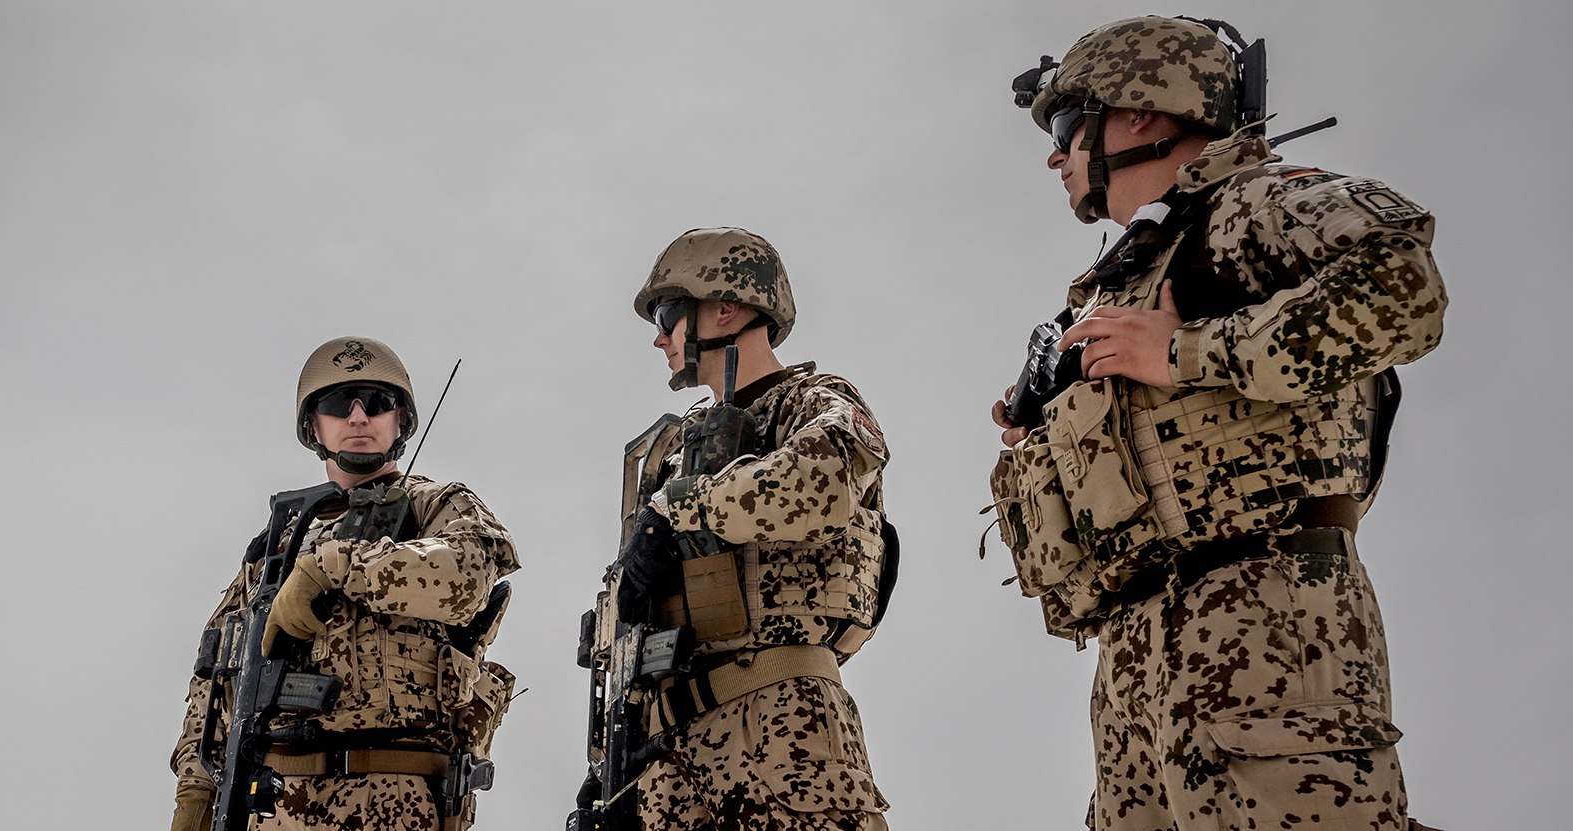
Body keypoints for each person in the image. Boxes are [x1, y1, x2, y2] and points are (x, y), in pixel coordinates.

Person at [990, 16, 1448, 831]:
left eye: (1067, 127)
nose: (1055, 155)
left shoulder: (1248, 207)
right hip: (1135, 647)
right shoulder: (1122, 277)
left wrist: (1189, 352)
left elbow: (1400, 283)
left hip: (1264, 608)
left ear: (1141, 113)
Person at [584, 227, 895, 830]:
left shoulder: (812, 401)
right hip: (666, 755)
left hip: (778, 721)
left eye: (670, 314)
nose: (658, 337)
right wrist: (608, 775)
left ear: (725, 308)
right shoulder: (672, 453)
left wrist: (679, 513)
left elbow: (822, 477)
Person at [170, 336, 520, 831]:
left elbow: (466, 576)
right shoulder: (276, 548)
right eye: (338, 404)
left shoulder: (434, 507)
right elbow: (213, 683)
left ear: (400, 420)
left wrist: (333, 568)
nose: (358, 417)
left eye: (376, 403)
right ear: (314, 425)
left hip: (395, 799)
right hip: (273, 806)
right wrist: (195, 793)